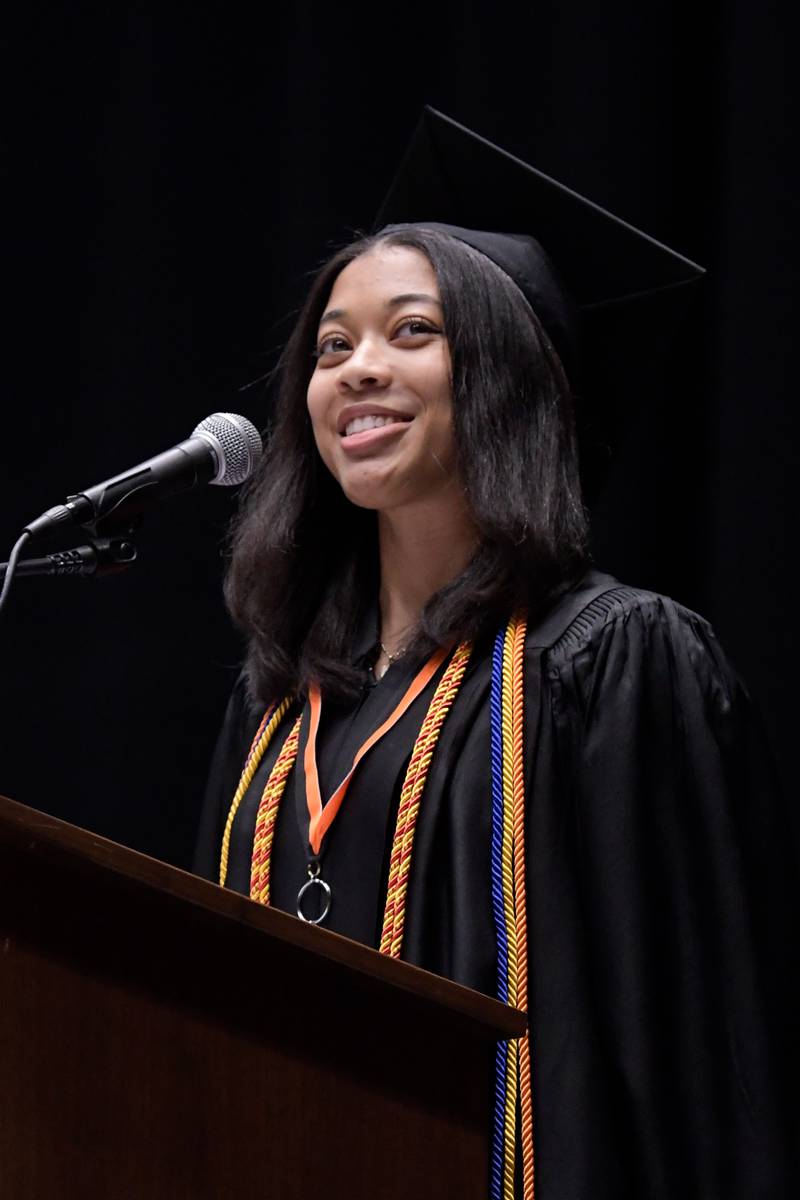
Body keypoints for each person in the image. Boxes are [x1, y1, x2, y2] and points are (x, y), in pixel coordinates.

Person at [193, 112, 797, 1199]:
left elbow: (705, 1058)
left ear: (507, 375)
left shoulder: (614, 665)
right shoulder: (281, 708)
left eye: (408, 332)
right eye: (331, 348)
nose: (356, 371)